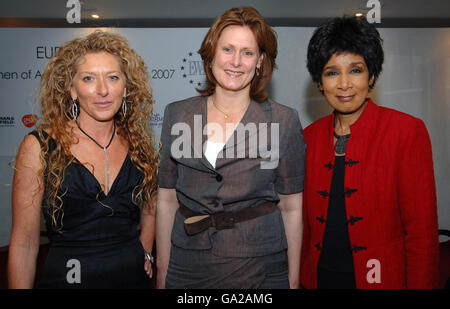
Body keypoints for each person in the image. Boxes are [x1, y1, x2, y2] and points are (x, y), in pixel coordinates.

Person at [156, 7, 305, 289]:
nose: (236, 62)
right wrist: (163, 270)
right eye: (227, 49)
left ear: (260, 61)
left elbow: (291, 208)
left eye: (247, 53)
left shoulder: (284, 120)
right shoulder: (177, 114)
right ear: (211, 53)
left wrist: (293, 278)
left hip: (260, 266)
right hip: (187, 265)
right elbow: (166, 200)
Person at [8, 31, 159, 288]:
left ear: (126, 86)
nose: (102, 90)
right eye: (88, 78)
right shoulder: (40, 147)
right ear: (72, 89)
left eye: (112, 77)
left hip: (132, 278)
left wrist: (145, 248)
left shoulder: (139, 143)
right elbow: (25, 243)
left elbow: (151, 206)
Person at [300, 16, 439, 289]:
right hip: (320, 279)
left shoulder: (406, 131)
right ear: (319, 82)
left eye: (355, 70)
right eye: (331, 72)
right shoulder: (308, 137)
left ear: (372, 75)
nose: (344, 84)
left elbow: (422, 234)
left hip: (381, 281)